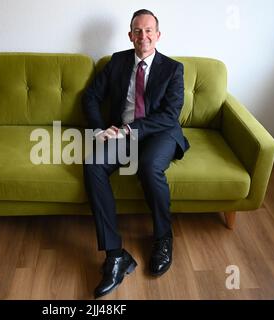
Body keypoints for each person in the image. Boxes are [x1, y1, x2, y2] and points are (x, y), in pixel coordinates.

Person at [82, 9, 190, 298]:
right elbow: (91, 96)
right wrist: (98, 129)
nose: (143, 36)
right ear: (131, 36)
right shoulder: (117, 62)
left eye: (149, 30)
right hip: (120, 133)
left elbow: (170, 116)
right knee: (92, 164)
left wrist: (130, 129)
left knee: (148, 167)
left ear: (158, 34)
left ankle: (163, 238)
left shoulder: (173, 68)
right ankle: (116, 255)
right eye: (137, 31)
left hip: (159, 134)